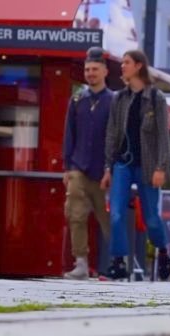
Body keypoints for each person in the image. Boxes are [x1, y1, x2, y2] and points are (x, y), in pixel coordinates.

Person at [102, 49, 170, 281]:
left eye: (126, 63)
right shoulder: (119, 98)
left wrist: (161, 167)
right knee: (116, 214)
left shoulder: (156, 98)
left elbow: (164, 136)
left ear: (139, 66)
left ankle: (163, 251)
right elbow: (112, 134)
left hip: (148, 165)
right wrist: (107, 167)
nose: (122, 66)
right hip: (123, 162)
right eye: (122, 63)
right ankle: (118, 261)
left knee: (152, 218)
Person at [62, 47, 112, 280]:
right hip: (78, 167)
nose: (90, 73)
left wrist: (112, 167)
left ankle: (115, 262)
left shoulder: (114, 101)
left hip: (104, 170)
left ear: (105, 71)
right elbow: (68, 134)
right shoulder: (77, 100)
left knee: (109, 218)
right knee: (75, 214)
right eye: (87, 69)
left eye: (95, 69)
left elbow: (117, 137)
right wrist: (67, 167)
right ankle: (81, 262)